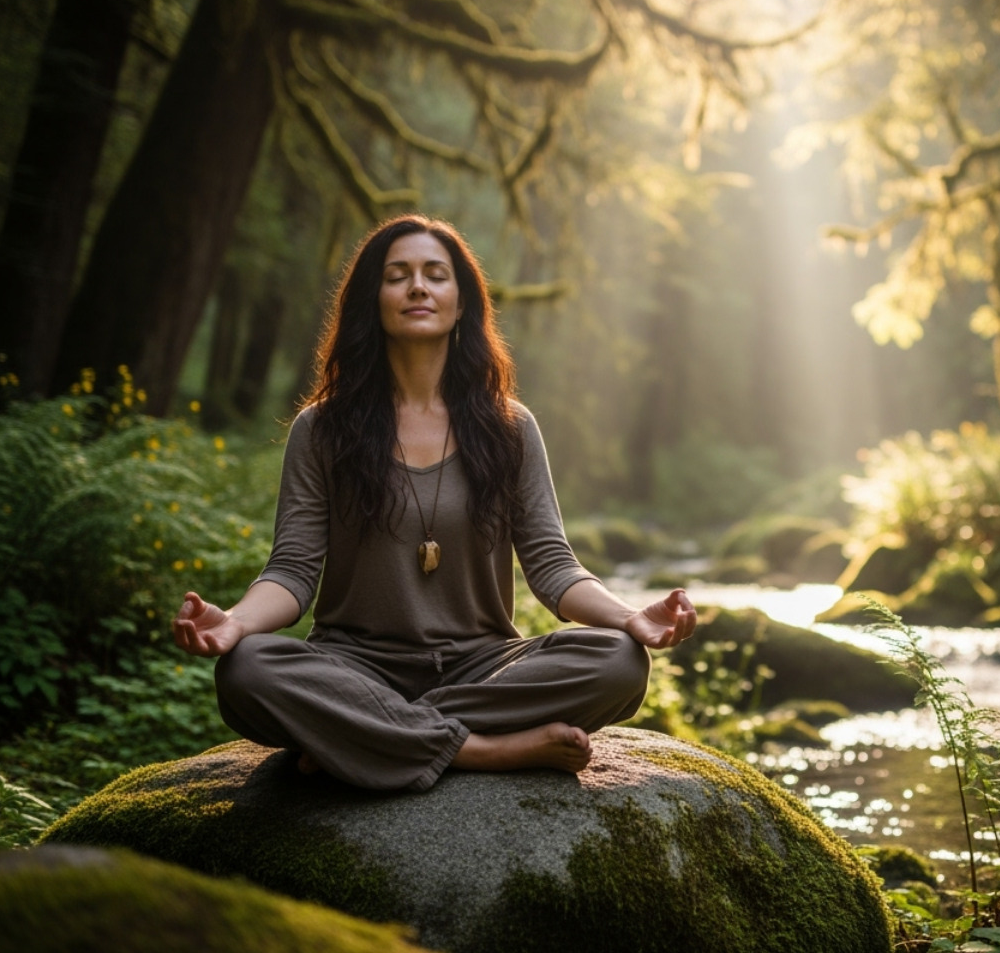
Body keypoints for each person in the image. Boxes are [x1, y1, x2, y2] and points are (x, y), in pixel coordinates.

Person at [171, 215, 696, 791]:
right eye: (398, 276)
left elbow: (552, 566)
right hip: (354, 667)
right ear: (373, 299)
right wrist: (235, 624)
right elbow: (293, 572)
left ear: (462, 301)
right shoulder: (321, 428)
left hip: (483, 666)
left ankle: (359, 740)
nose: (418, 287)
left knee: (619, 662)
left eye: (435, 275)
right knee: (246, 670)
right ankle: (485, 751)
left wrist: (629, 618)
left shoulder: (509, 428)